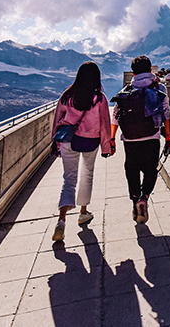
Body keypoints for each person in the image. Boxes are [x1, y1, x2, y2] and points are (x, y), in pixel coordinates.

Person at [51, 61, 113, 242]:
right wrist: (106, 147)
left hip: (68, 141)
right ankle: (83, 212)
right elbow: (104, 124)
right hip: (90, 141)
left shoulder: (67, 95)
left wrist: (55, 144)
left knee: (68, 178)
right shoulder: (99, 98)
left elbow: (57, 120)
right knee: (87, 174)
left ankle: (61, 220)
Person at [111, 55, 170, 224]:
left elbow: (116, 116)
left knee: (131, 170)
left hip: (130, 139)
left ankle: (135, 200)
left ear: (133, 73)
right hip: (151, 136)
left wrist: (111, 138)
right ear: (150, 70)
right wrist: (168, 135)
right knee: (150, 170)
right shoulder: (159, 87)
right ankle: (144, 197)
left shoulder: (126, 90)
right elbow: (166, 113)